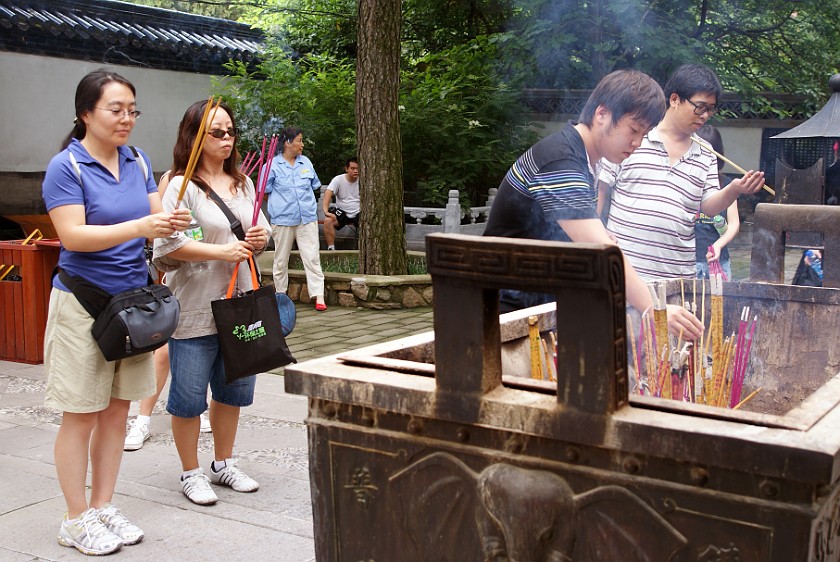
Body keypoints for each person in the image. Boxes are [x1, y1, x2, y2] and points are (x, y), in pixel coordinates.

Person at [42, 69, 189, 555]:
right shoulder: (68, 166)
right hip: (82, 305)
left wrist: (167, 222)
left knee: (116, 413)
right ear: (86, 113)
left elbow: (150, 226)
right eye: (116, 109)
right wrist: (142, 223)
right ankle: (74, 517)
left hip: (131, 307)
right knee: (81, 415)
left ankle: (103, 505)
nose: (127, 118)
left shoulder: (139, 160)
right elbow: (74, 237)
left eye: (132, 110)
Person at [483, 69, 703, 339]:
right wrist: (654, 309)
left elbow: (579, 237)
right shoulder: (560, 160)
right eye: (633, 130)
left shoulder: (584, 162)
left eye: (644, 134)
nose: (636, 143)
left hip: (536, 307)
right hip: (505, 314)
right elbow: (603, 252)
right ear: (602, 114)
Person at [153, 99, 271, 506]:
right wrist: (220, 252)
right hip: (195, 305)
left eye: (230, 131)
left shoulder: (242, 181)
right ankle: (190, 471)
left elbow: (260, 228)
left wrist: (258, 239)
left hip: (239, 303)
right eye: (216, 132)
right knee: (187, 396)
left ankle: (223, 463)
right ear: (195, 136)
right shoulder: (179, 185)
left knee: (232, 390)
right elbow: (166, 247)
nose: (226, 139)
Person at [603, 64, 764, 281]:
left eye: (710, 109)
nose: (705, 115)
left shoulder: (705, 154)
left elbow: (708, 206)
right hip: (625, 270)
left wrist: (734, 189)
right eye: (700, 107)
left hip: (677, 276)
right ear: (675, 99)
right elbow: (601, 186)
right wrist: (597, 230)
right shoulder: (636, 136)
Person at [123, 171, 210, 453]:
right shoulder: (173, 179)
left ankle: (198, 408)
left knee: (206, 350)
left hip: (210, 281)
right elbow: (158, 236)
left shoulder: (221, 179)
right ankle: (142, 419)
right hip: (175, 279)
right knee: (162, 354)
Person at [265, 127, 327, 311]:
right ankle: (281, 295)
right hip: (282, 219)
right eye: (299, 140)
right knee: (281, 259)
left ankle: (319, 295)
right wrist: (281, 205)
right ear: (288, 143)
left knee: (312, 257)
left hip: (307, 217)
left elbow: (314, 185)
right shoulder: (272, 165)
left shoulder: (305, 162)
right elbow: (264, 192)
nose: (302, 144)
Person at [693, 125, 739, 280]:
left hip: (718, 260)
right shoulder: (686, 181)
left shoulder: (726, 184)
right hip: (688, 261)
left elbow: (733, 225)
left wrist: (718, 245)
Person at [322, 157, 360, 250]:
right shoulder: (338, 180)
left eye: (358, 169)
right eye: (352, 168)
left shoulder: (365, 180)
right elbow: (328, 193)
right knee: (328, 221)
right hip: (342, 213)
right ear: (346, 169)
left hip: (359, 212)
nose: (355, 171)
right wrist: (326, 211)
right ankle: (331, 248)